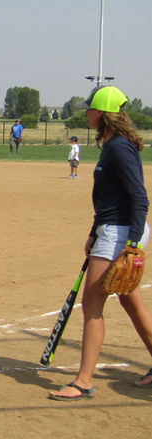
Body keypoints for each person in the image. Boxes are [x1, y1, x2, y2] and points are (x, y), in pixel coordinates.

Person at [48, 85, 152, 401]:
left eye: (90, 109)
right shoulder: (112, 145)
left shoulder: (119, 148)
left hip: (121, 232)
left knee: (92, 305)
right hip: (112, 229)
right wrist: (94, 231)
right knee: (129, 300)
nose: (86, 113)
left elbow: (138, 197)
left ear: (102, 113)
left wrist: (132, 242)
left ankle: (83, 380)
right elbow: (107, 197)